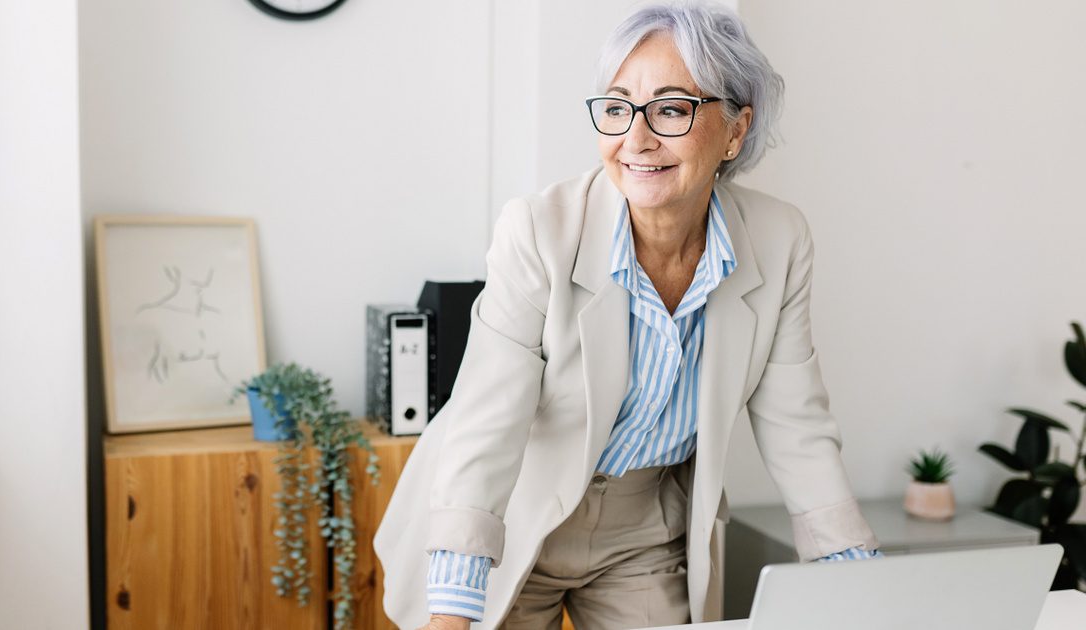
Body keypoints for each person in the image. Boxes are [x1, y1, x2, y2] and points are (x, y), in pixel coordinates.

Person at [374, 2, 880, 628]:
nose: (635, 140)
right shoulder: (538, 231)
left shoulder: (780, 240)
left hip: (645, 531)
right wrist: (453, 608)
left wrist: (856, 577)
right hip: (512, 509)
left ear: (735, 130)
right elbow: (488, 416)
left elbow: (796, 424)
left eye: (671, 109)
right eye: (617, 108)